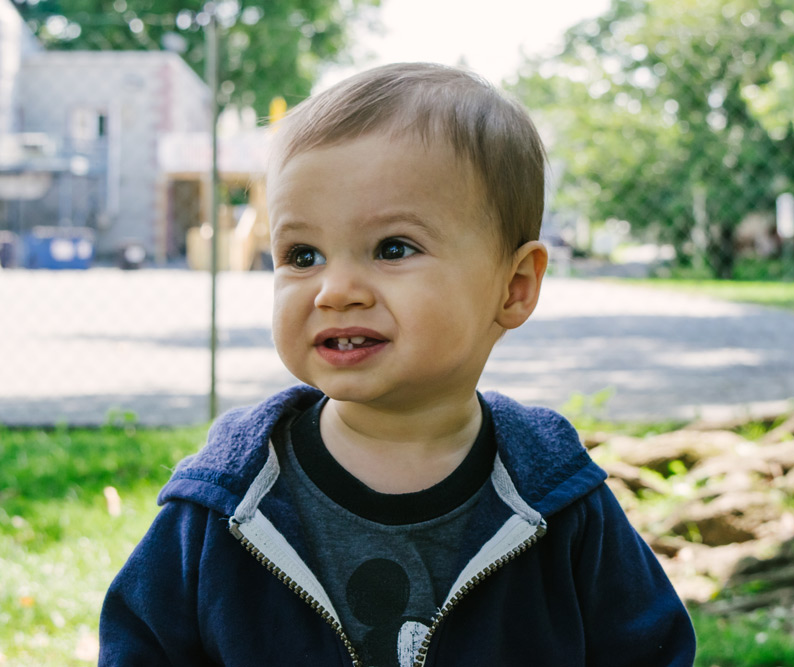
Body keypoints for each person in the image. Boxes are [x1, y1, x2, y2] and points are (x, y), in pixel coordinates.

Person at [99, 62, 696, 667]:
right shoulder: (227, 499)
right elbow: (139, 647)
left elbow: (650, 649)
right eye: (302, 255)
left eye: (393, 248)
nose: (335, 290)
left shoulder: (554, 496)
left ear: (513, 286)